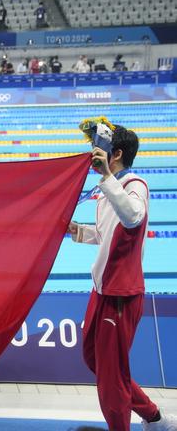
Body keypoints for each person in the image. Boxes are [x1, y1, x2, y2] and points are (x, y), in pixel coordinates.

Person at [68, 125, 177, 431]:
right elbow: (107, 235)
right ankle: (154, 417)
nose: (95, 154)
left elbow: (133, 217)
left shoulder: (134, 184)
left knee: (111, 378)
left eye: (101, 148)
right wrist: (78, 230)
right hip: (101, 290)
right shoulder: (109, 189)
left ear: (115, 154)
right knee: (95, 361)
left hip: (120, 294)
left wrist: (105, 178)